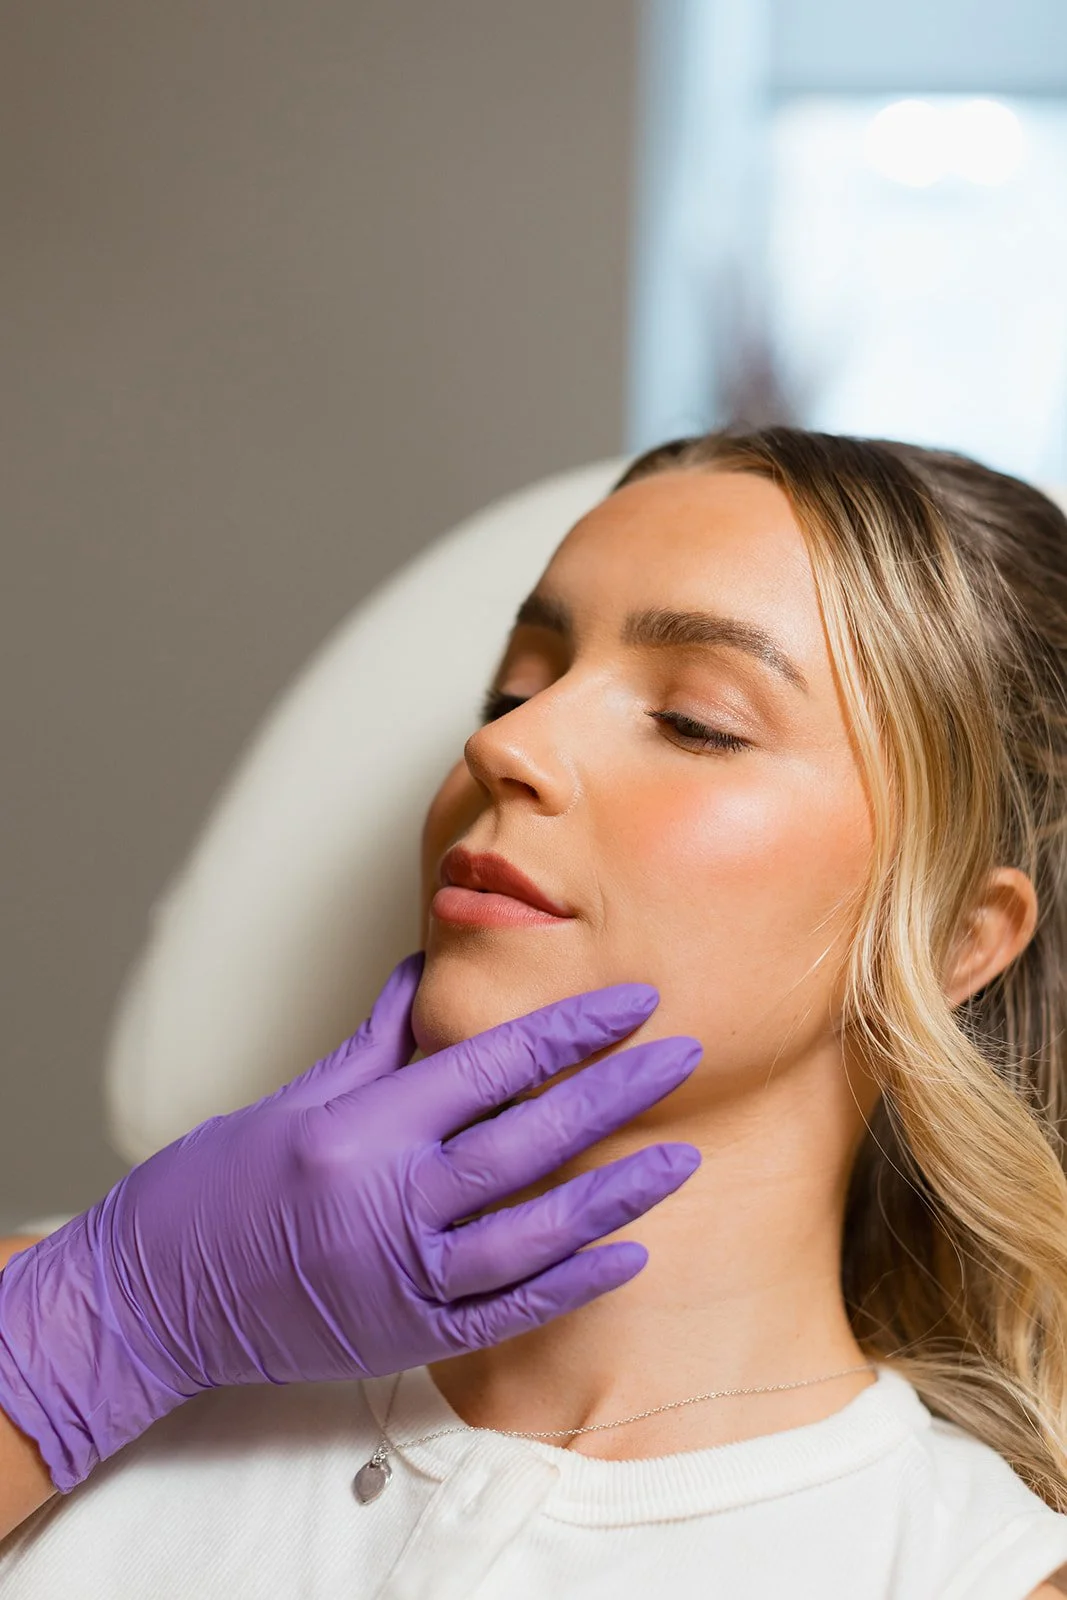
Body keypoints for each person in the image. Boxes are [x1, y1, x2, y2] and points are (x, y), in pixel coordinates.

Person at [3, 425, 1067, 1596]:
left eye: (695, 720)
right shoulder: (79, 1322)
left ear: (951, 934)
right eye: (517, 682)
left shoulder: (970, 1572)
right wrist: (111, 1321)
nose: (505, 741)